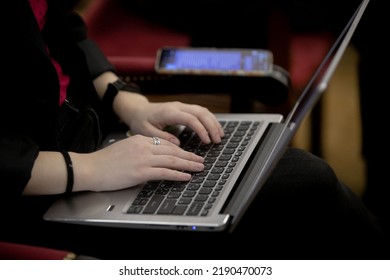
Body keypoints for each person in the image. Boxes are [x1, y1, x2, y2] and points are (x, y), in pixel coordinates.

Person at [0, 0, 388, 260]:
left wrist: (128, 101)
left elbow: (64, 30)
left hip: (96, 136)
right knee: (306, 188)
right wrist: (89, 169)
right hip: (40, 193)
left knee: (293, 185)